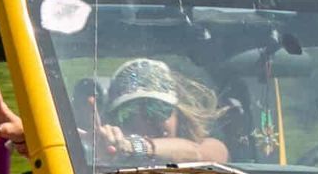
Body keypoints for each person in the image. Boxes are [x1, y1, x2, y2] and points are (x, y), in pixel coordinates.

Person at [89, 58, 230, 165]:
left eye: (156, 109)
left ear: (179, 115)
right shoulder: (103, 159)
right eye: (127, 114)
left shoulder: (204, 146)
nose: (142, 124)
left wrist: (134, 146)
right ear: (113, 122)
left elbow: (202, 154)